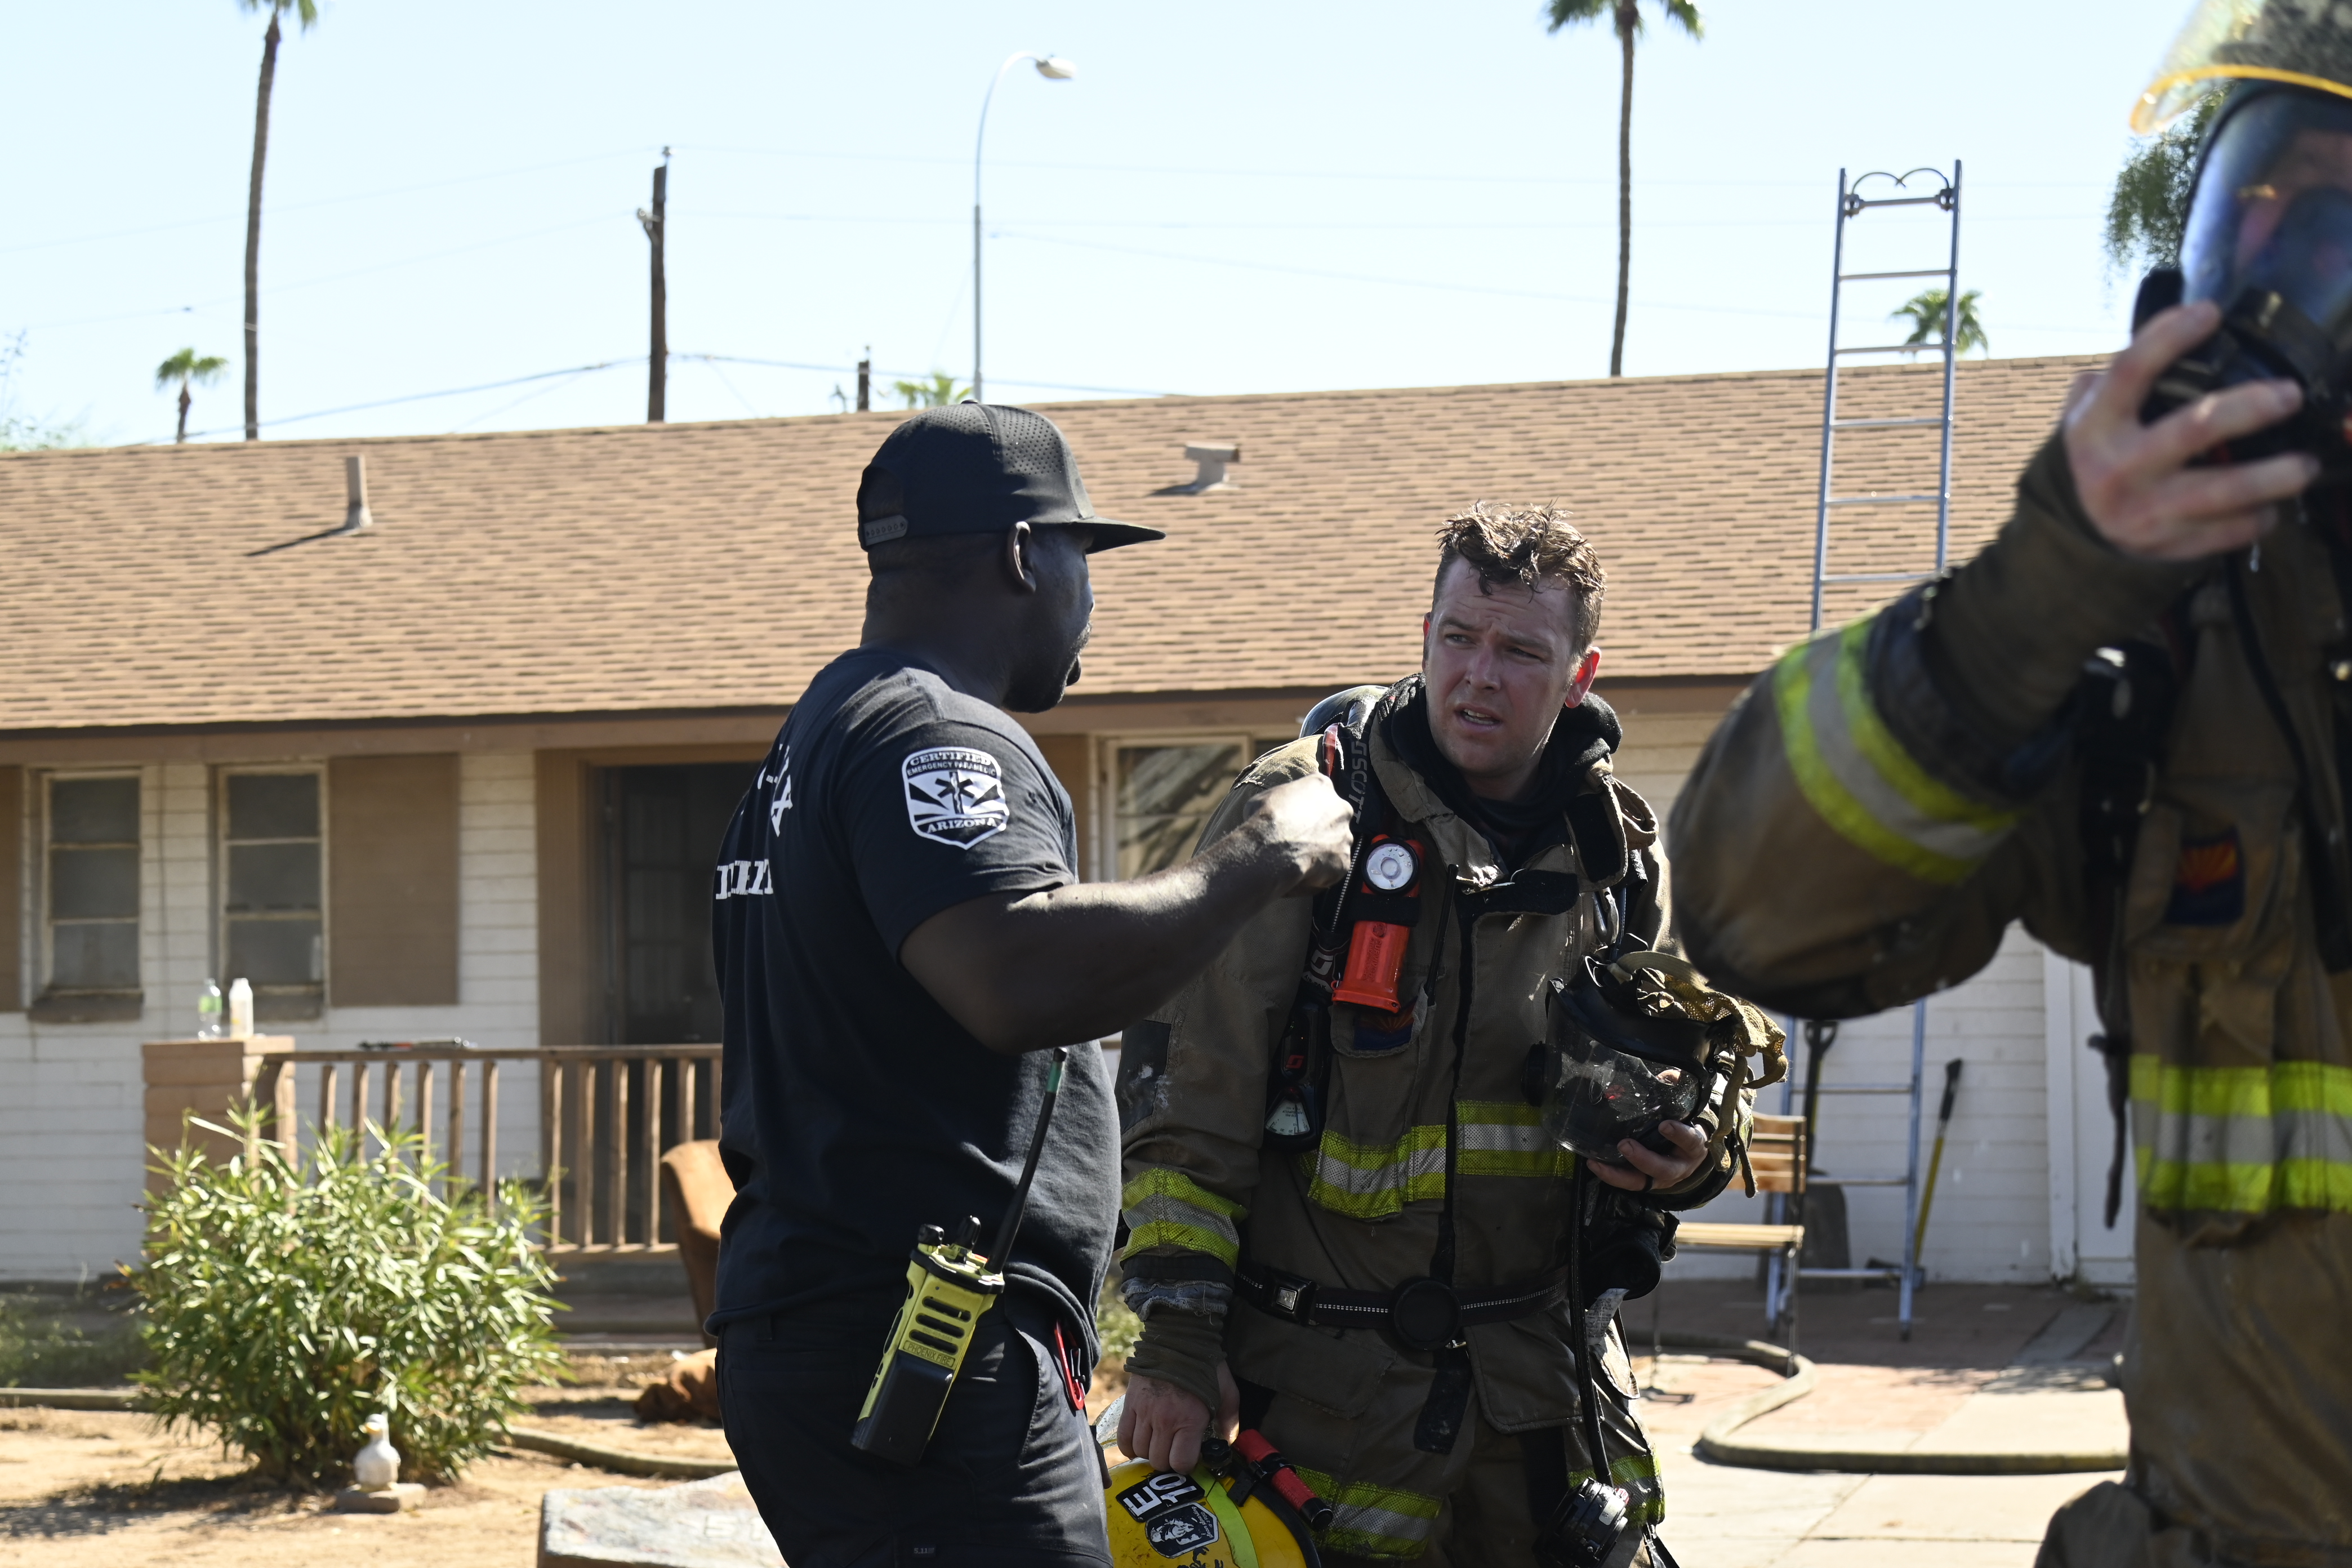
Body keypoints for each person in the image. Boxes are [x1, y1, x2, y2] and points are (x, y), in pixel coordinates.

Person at [1667, 12, 2352, 1560]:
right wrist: (2033, 605)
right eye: (2278, 222)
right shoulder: (2168, 671)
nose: (2303, 286)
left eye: (2337, 236)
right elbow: (1752, 916)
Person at [708, 402, 1356, 1568]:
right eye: (1081, 558)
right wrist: (1260, 857)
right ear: (1021, 554)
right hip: (918, 1341)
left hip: (827, 1323)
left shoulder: (820, 735)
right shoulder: (935, 733)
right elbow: (1015, 974)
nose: (1089, 599)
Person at [1114, 503, 1778, 1566]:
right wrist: (1179, 1338)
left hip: (1544, 1417)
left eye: (1521, 652)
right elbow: (1187, 1104)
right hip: (1327, 1416)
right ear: (1424, 634)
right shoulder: (1305, 817)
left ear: (1580, 674)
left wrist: (1690, 1152)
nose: (1479, 676)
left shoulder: (1613, 857)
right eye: (1459, 638)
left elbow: (1688, 1066)